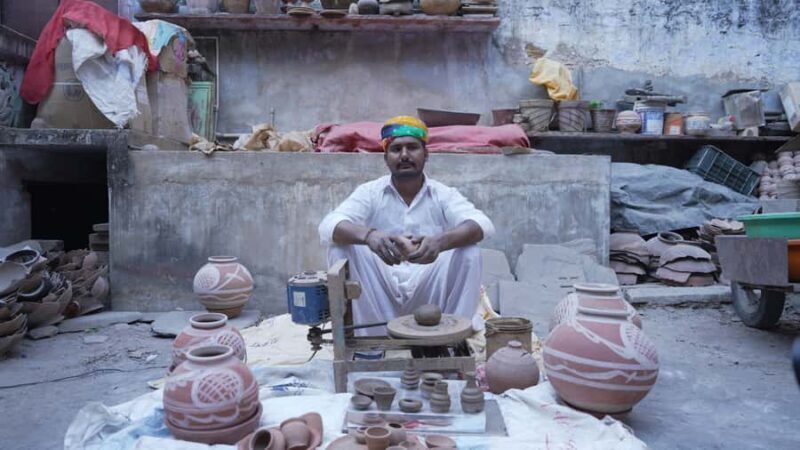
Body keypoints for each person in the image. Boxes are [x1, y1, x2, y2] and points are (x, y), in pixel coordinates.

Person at [318, 116, 494, 335]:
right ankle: (370, 343)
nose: (404, 155)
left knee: (469, 251)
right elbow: (328, 226)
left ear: (426, 154)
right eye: (396, 149)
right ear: (386, 157)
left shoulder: (443, 194)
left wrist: (440, 242)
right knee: (340, 247)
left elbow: (482, 224)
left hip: (429, 291)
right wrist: (371, 236)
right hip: (380, 291)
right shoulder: (370, 192)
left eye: (412, 148)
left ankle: (451, 339)